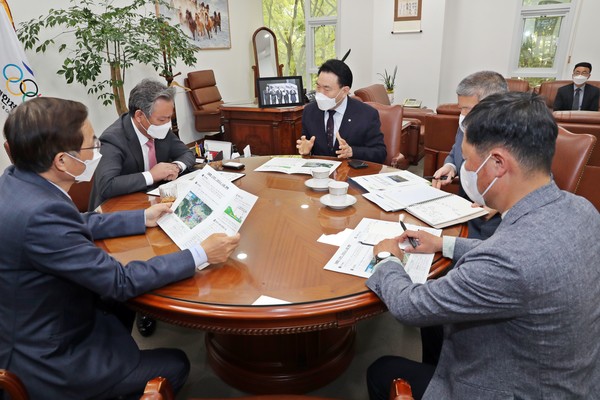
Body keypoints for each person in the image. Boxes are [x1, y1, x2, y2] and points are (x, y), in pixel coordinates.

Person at [0, 97, 241, 399]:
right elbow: (120, 280)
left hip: (32, 322)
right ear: (61, 161)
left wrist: (142, 217)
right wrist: (201, 253)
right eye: (91, 144)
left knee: (121, 306)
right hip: (49, 360)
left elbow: (75, 222)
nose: (97, 150)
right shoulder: (41, 214)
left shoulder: (17, 181)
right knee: (176, 364)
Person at [365, 92, 600, 400]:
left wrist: (388, 259)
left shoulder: (509, 261)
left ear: (498, 163)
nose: (466, 171)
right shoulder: (583, 209)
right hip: (569, 373)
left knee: (380, 370)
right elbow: (520, 258)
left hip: (518, 387)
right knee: (435, 325)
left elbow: (410, 306)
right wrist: (443, 243)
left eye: (470, 162)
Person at [89, 79, 196, 210]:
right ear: (139, 115)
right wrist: (152, 175)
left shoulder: (159, 129)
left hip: (151, 202)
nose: (167, 124)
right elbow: (107, 185)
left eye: (169, 118)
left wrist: (176, 167)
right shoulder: (113, 139)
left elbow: (186, 153)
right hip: (115, 210)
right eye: (162, 119)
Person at [432, 70, 508, 240]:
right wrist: (451, 166)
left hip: (493, 224)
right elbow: (456, 150)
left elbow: (534, 185)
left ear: (493, 106)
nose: (463, 115)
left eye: (468, 108)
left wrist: (501, 206)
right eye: (461, 108)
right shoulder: (467, 124)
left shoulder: (517, 134)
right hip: (464, 208)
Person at [296, 59, 387, 163]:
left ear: (344, 91)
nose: (320, 93)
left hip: (350, 171)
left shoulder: (366, 114)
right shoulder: (310, 111)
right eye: (318, 87)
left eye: (326, 89)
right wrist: (306, 151)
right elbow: (306, 143)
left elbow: (380, 153)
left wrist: (352, 152)